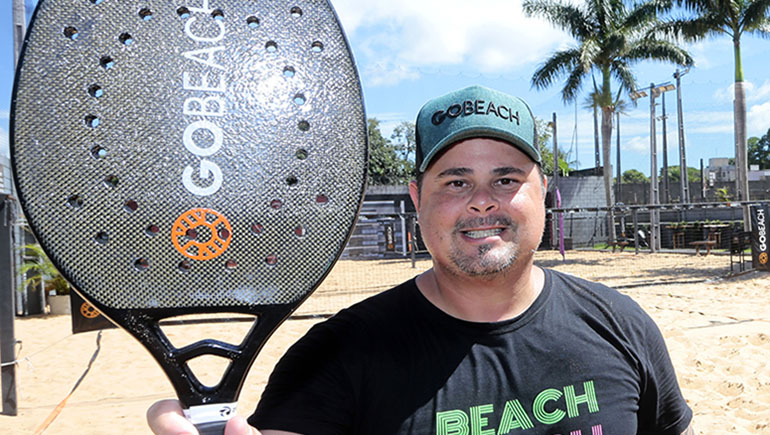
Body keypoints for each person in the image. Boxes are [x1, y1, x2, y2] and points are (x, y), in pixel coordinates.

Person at [148, 85, 694, 435]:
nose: (483, 200)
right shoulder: (336, 356)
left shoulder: (623, 326)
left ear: (544, 190)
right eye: (456, 181)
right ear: (416, 197)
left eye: (506, 178)